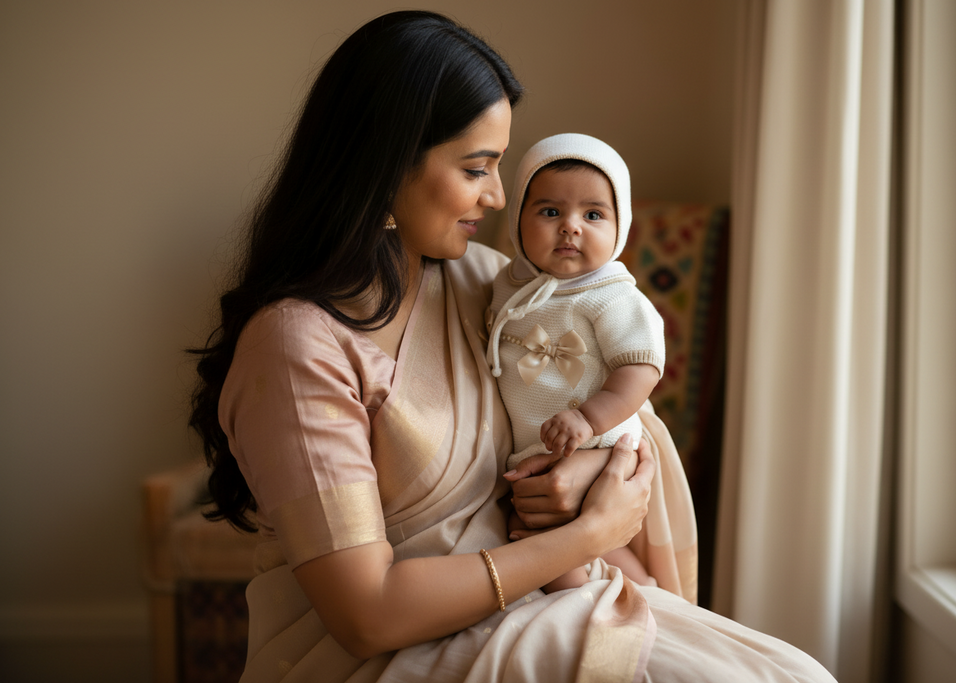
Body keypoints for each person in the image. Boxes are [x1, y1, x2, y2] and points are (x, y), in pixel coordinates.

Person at [189, 10, 837, 682]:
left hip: (546, 590)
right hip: (388, 652)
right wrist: (586, 535)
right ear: (384, 166)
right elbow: (367, 615)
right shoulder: (296, 347)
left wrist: (582, 474)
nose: (500, 197)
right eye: (477, 168)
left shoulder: (486, 284)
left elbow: (618, 419)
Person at [487, 133, 662, 592]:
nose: (570, 227)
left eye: (593, 215)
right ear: (517, 219)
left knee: (536, 535)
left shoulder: (613, 294)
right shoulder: (508, 284)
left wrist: (588, 418)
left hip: (596, 443)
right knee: (576, 537)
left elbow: (641, 368)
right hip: (540, 446)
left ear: (620, 226)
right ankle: (643, 589)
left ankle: (580, 609)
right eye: (550, 212)